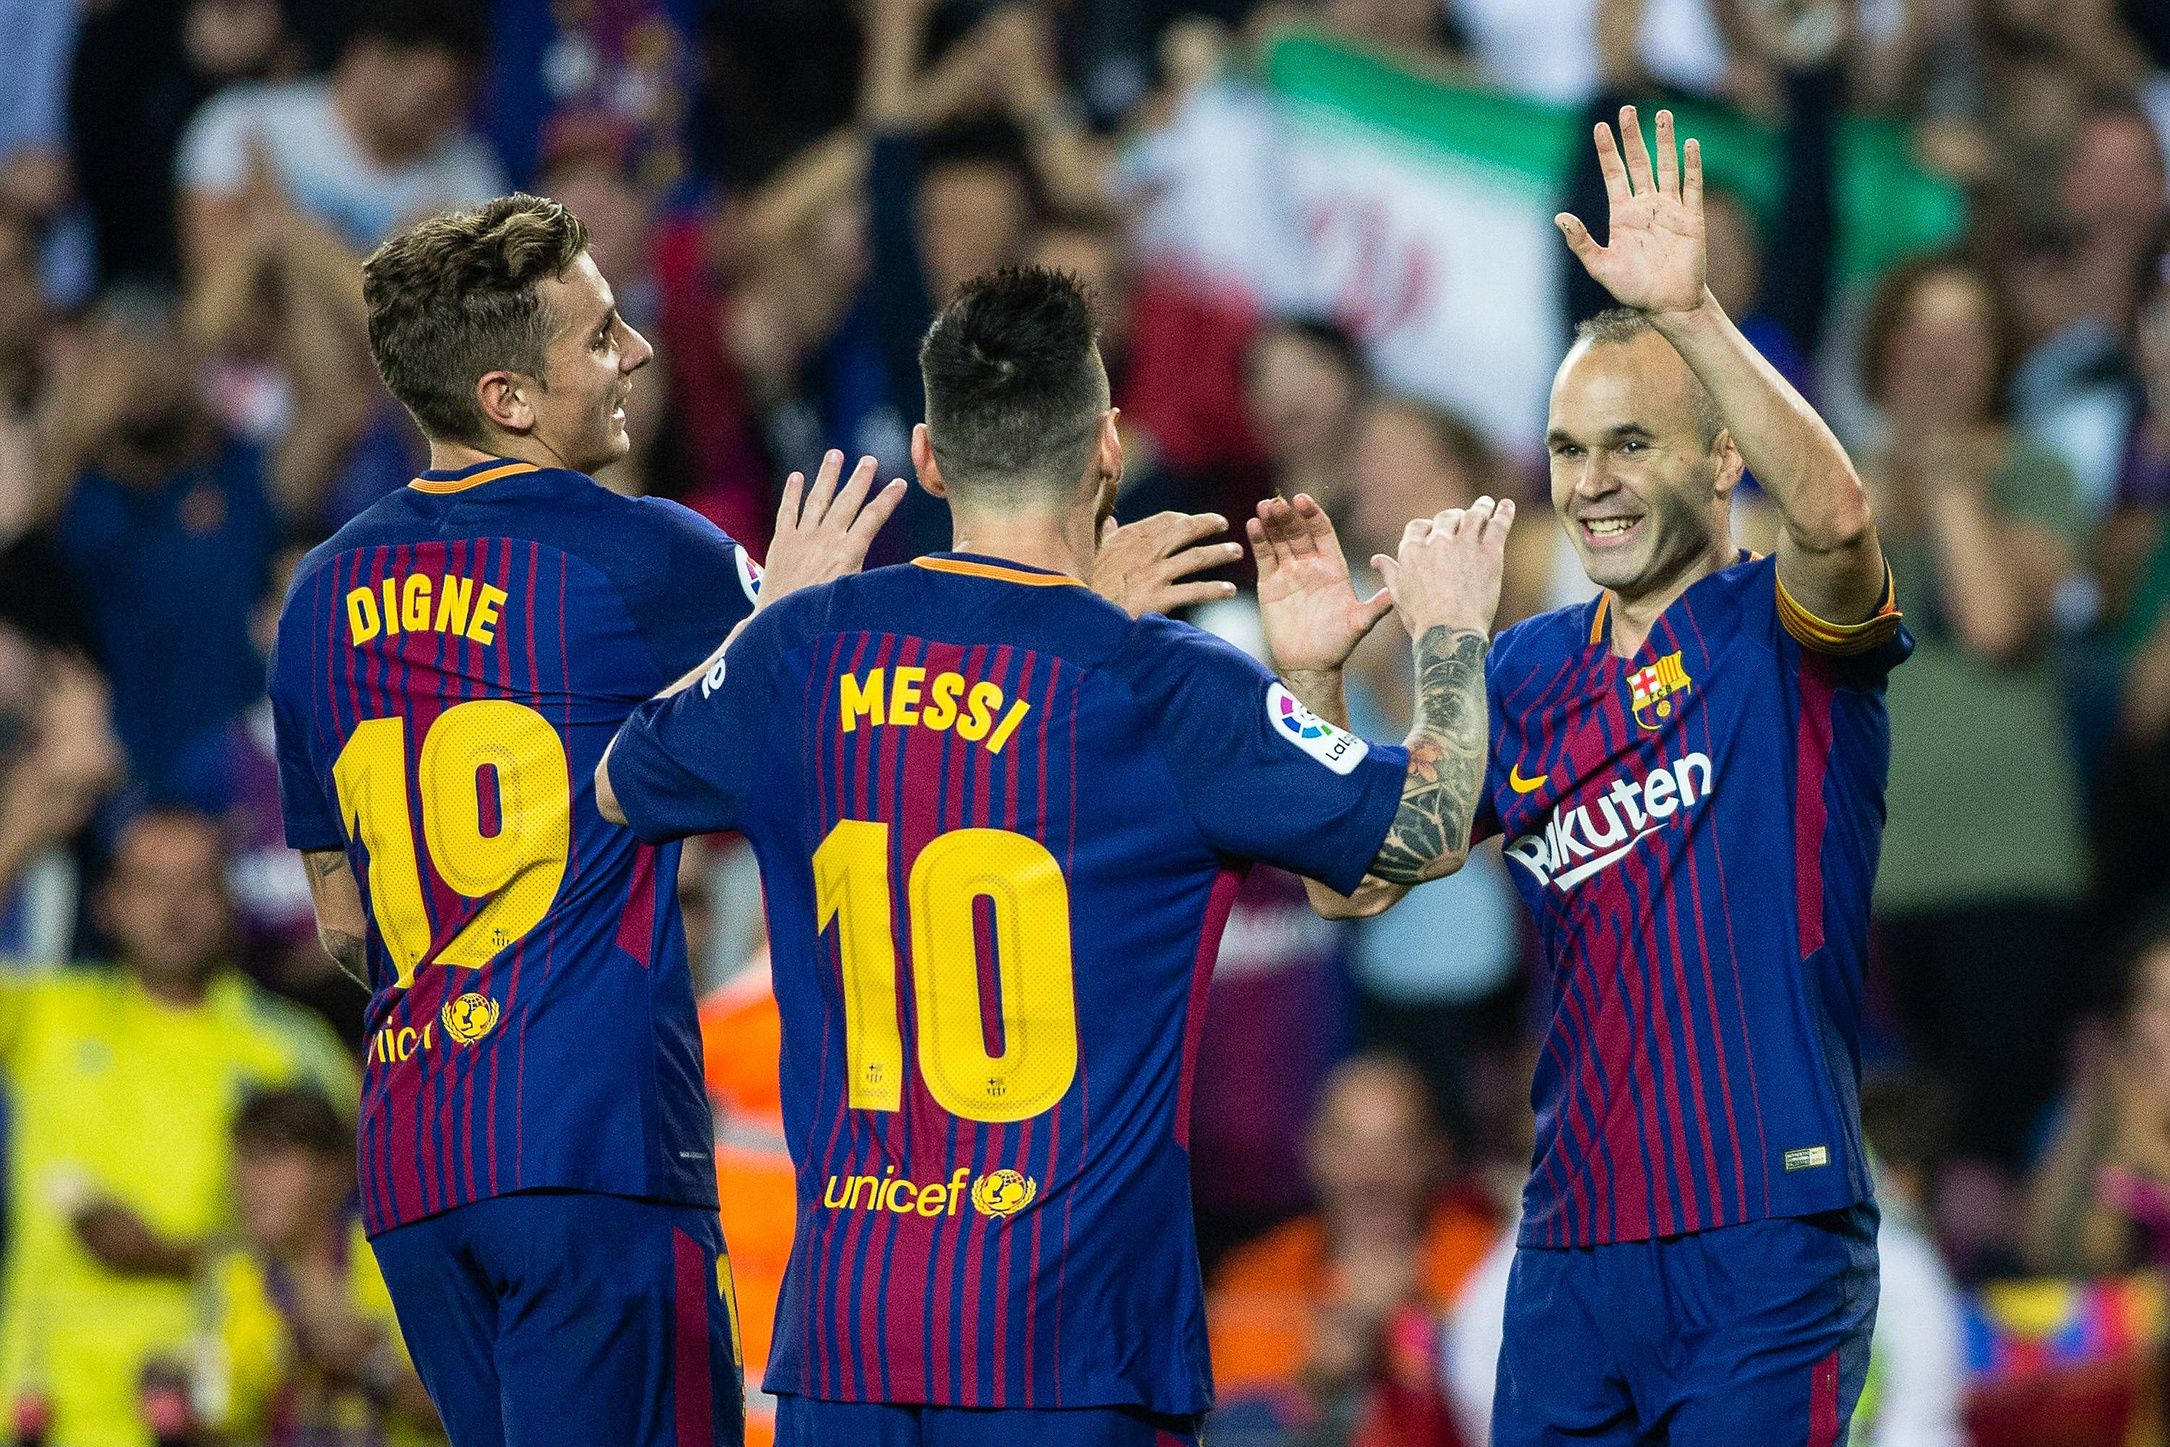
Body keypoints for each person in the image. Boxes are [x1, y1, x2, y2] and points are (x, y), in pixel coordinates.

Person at [275, 194, 1232, 1447]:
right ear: (508, 396)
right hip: (592, 1151)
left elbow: (346, 920)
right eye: (603, 335)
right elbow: (906, 726)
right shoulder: (640, 559)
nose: (641, 355)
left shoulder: (317, 594)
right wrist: (1076, 609)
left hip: (414, 1166)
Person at [594, 264, 1513, 1445]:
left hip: (850, 1342)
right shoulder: (1163, 687)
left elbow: (618, 779)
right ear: (1110, 449)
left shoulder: (798, 657)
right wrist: (1446, 634)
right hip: (1073, 1351)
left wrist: (774, 618)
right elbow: (1423, 832)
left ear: (928, 458)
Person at [1302, 108, 1906, 1442]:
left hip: (1764, 1229)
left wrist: (1690, 314)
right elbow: (1360, 878)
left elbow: (1842, 518)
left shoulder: (1780, 630)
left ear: (1717, 459)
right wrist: (1337, 679)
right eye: (1570, 450)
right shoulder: (1521, 670)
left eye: (1630, 442)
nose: (1592, 484)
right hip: (1571, 1240)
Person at [0, 809, 356, 1447]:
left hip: (223, 1414)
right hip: (50, 1412)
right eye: (149, 884)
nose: (174, 907)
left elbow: (336, 1241)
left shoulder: (293, 1050)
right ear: (105, 905)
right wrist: (39, 803)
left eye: (198, 885)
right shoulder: (49, 1015)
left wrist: (174, 1255)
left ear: (230, 903)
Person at [1208, 1055, 1497, 1446]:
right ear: (1311, 1151)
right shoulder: (1256, 1279)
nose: (1371, 1172)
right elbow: (1228, 1434)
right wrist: (1319, 1379)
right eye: (1348, 1144)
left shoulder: (1490, 1270)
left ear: (1436, 1155)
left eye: (1397, 1146)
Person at [196, 1083, 443, 1446]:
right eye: (243, 1161)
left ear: (335, 1169)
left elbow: (456, 1410)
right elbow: (212, 1421)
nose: (251, 1182)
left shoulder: (392, 1256)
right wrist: (283, 1353)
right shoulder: (233, 1274)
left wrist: (371, 1360)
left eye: (272, 1158)